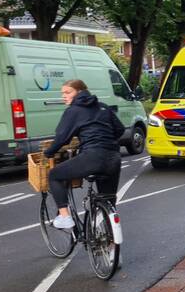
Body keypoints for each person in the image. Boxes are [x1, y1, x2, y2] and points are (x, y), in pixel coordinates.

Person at [44, 80, 125, 229]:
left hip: (92, 157)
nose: (64, 96)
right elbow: (119, 129)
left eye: (67, 92)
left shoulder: (73, 111)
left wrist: (48, 153)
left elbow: (62, 138)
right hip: (113, 157)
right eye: (62, 93)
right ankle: (112, 245)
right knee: (108, 202)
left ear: (79, 92)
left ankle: (65, 217)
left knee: (54, 175)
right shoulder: (103, 107)